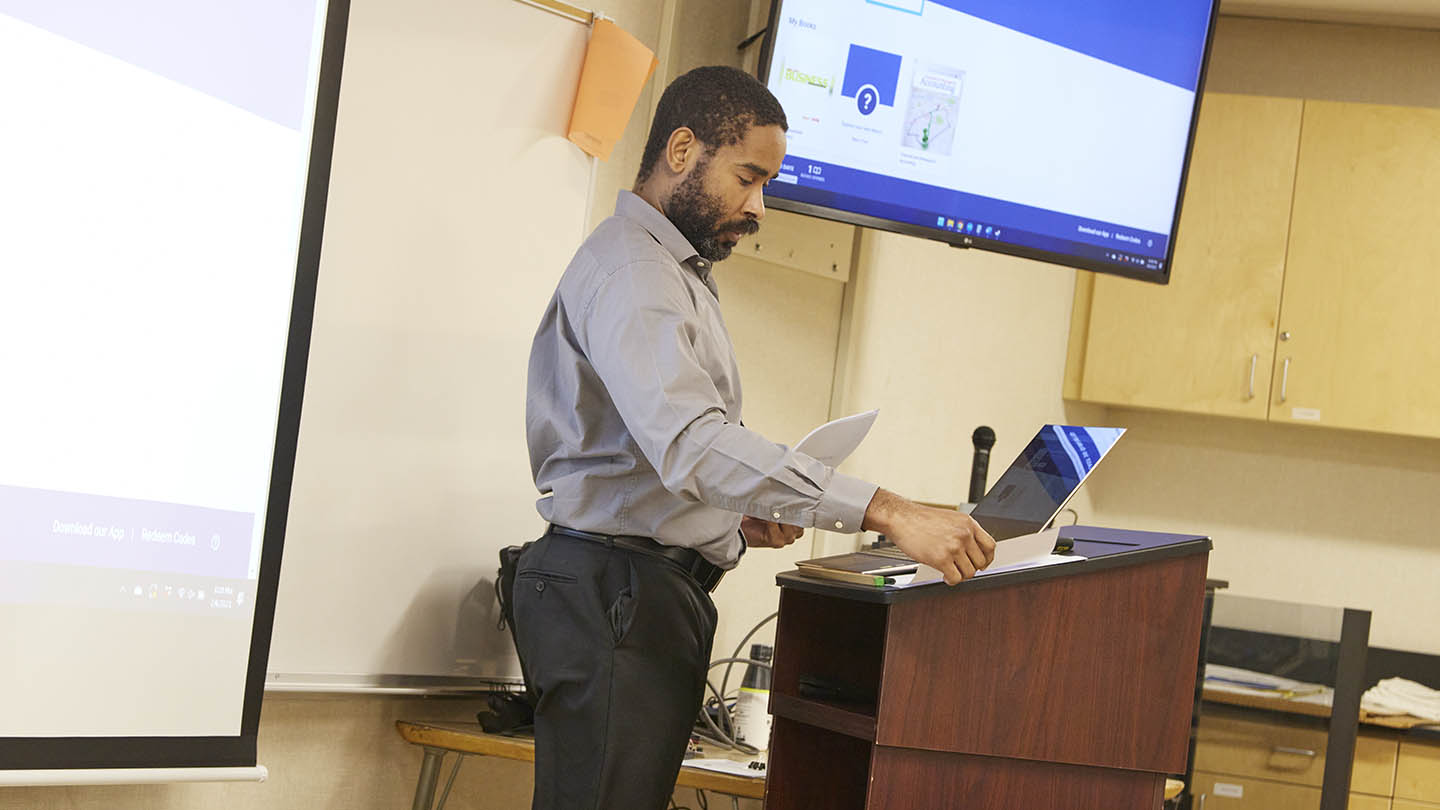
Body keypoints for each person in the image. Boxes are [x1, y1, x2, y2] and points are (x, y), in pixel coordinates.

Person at [515, 65, 996, 810]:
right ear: (682, 150)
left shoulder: (674, 275)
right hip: (615, 597)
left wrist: (728, 518)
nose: (760, 205)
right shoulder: (638, 274)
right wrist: (887, 510)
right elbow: (691, 443)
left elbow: (647, 456)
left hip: (637, 593)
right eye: (748, 178)